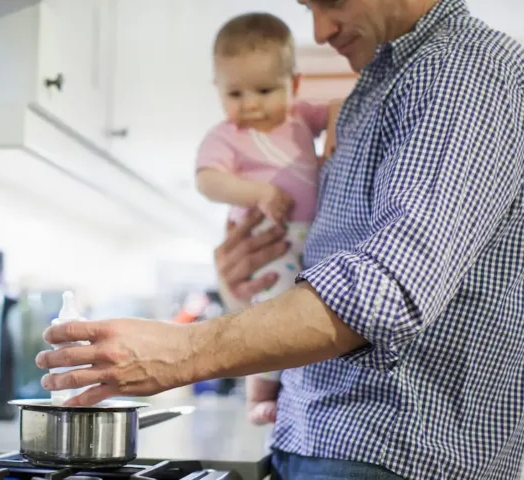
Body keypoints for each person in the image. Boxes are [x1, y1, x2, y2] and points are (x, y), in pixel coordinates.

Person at [36, 0, 524, 478]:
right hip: (317, 437)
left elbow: (385, 290)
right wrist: (241, 292)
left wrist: (183, 350)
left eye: (331, 1)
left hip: (390, 452)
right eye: (308, 8)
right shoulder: (375, 89)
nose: (320, 32)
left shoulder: (465, 70)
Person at [195, 12, 341, 426]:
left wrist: (333, 131)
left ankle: (279, 385)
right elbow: (208, 181)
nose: (251, 104)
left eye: (264, 90)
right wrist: (258, 193)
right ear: (218, 90)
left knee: (307, 312)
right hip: (268, 236)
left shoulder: (299, 117)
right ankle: (259, 390)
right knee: (274, 313)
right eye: (235, 93)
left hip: (311, 239)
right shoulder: (227, 135)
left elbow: (338, 107)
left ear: (294, 84)